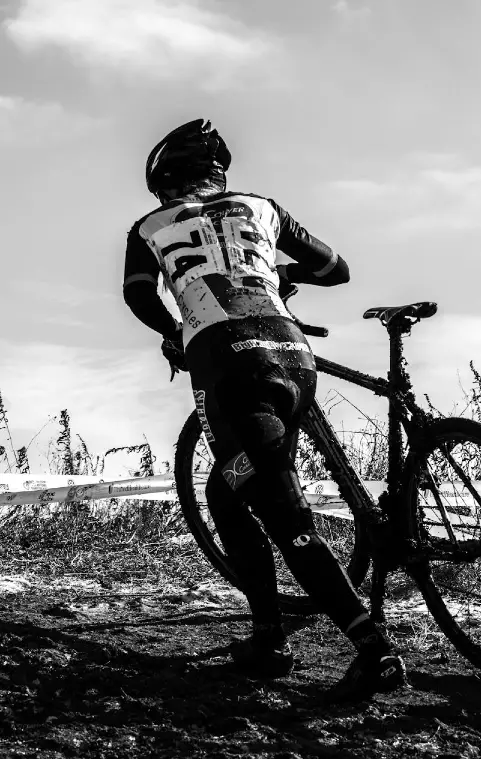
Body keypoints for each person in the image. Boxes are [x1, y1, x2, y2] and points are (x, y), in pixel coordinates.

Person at [122, 118, 407, 700]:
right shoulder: (261, 207)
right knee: (229, 491)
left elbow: (136, 292)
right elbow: (336, 270)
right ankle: (268, 636)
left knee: (282, 511)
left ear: (165, 181)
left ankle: (373, 649)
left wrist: (175, 329)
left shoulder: (148, 226)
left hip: (229, 366)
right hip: (294, 358)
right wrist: (277, 273)